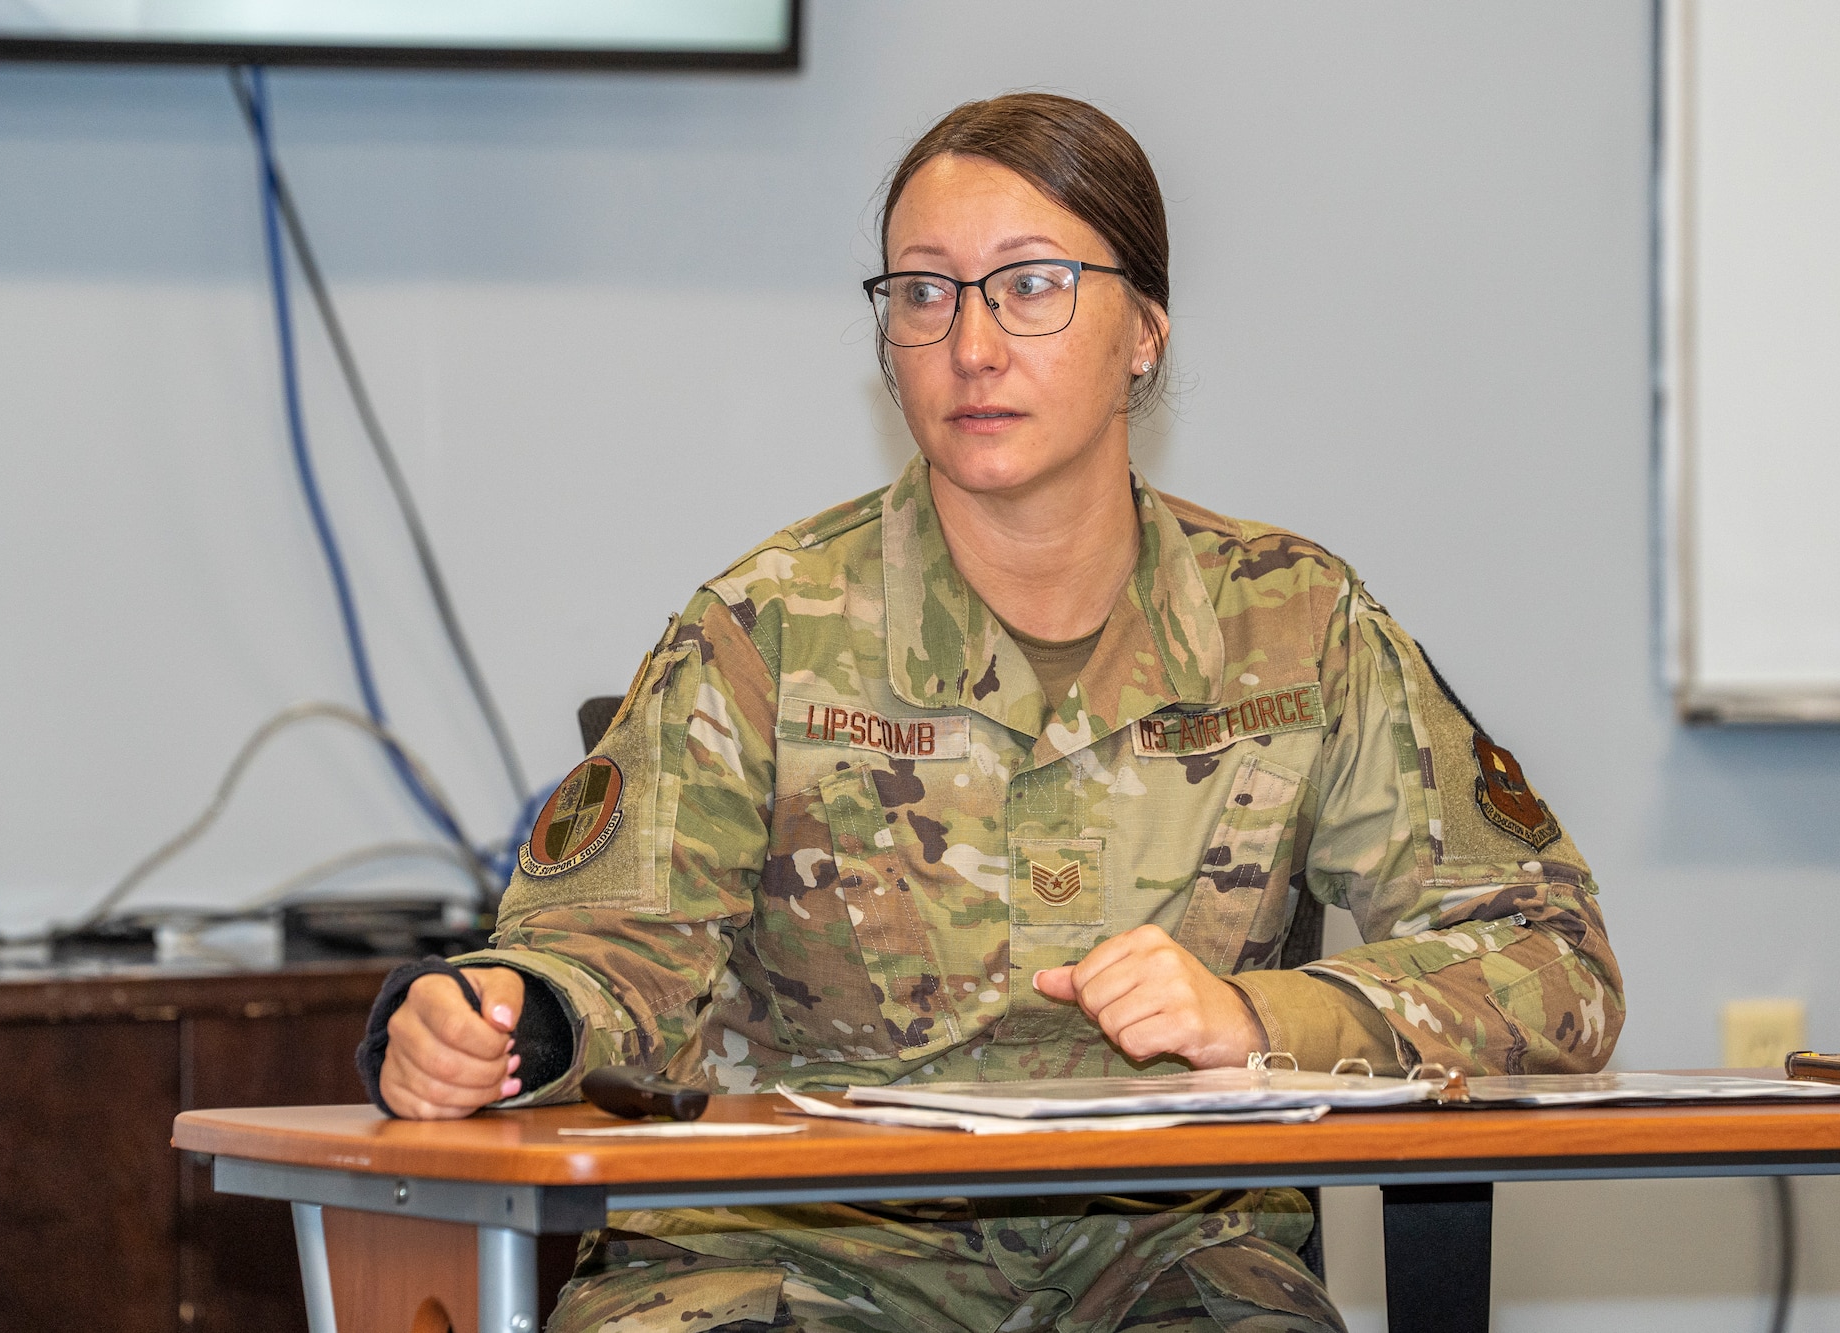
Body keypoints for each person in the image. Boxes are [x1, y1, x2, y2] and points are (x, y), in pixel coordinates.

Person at [359, 93, 1624, 1333]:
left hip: (1167, 1261)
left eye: (1029, 285)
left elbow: (1547, 959)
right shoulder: (767, 629)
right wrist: (491, 1022)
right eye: (921, 292)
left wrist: (1256, 1019)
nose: (969, 345)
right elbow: (602, 953)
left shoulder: (1294, 626)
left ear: (1144, 330)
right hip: (794, 1253)